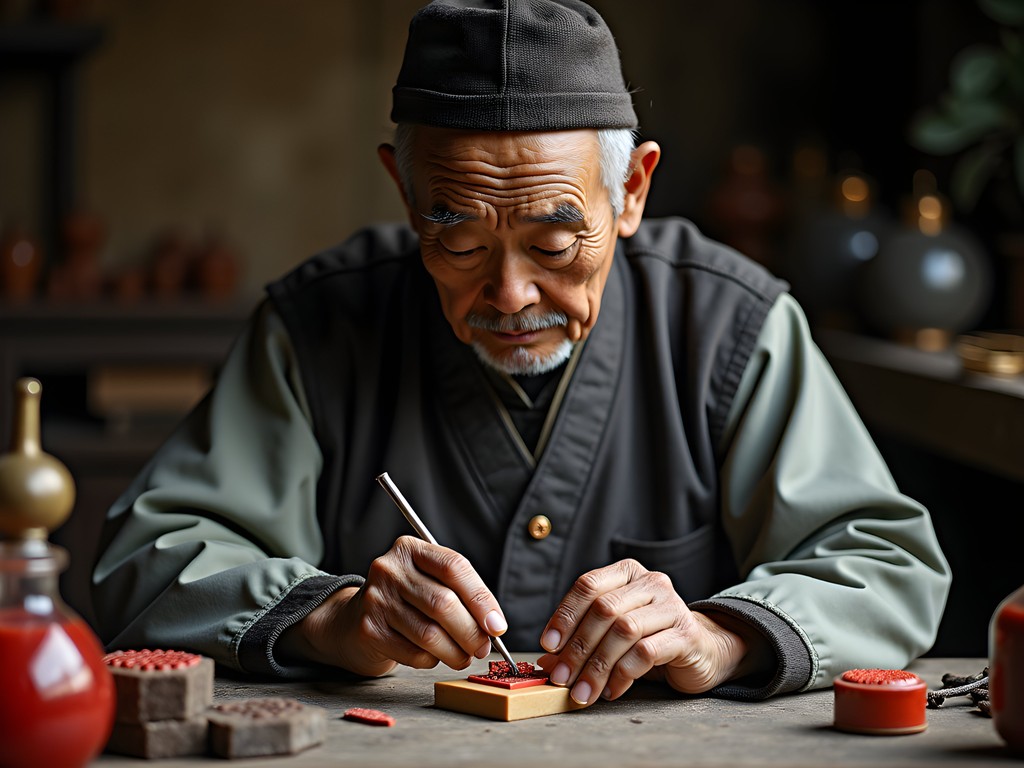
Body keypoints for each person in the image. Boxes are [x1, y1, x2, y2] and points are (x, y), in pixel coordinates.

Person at [92, 0, 950, 706]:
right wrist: (333, 620)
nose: (509, 296)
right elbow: (149, 556)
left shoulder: (728, 323)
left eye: (552, 244)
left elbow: (884, 562)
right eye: (458, 243)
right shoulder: (319, 325)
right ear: (404, 189)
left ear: (632, 191)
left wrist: (720, 635)